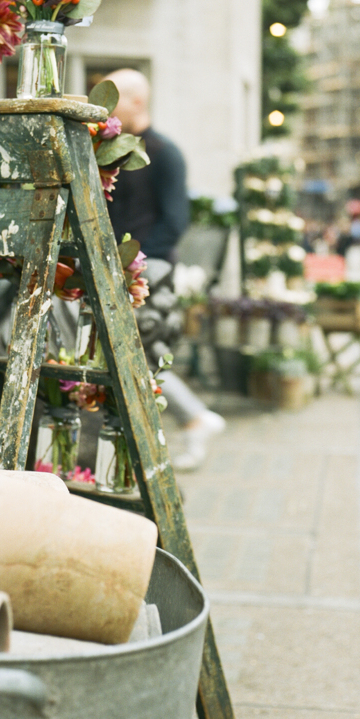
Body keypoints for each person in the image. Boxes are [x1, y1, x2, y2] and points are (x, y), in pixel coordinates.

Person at [102, 68, 225, 471]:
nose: (104, 103)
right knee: (129, 356)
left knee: (141, 356)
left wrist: (134, 263)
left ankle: (194, 419)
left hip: (147, 271)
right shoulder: (107, 150)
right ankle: (191, 421)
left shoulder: (165, 153)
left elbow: (175, 221)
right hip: (114, 268)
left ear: (137, 101)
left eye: (113, 95)